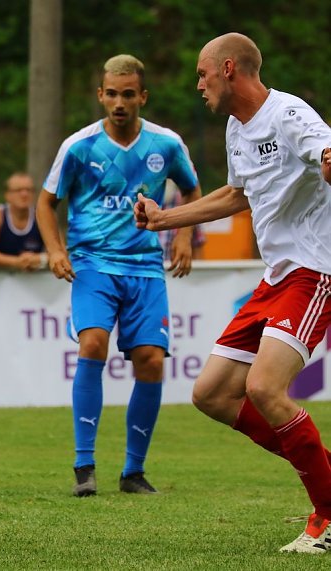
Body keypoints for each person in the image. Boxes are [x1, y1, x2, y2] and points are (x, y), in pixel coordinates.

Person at [135, 33, 331, 554]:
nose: (198, 85)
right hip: (275, 278)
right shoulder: (236, 128)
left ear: (228, 69)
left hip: (313, 272)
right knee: (212, 394)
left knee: (265, 389)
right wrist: (164, 219)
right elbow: (236, 195)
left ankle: (329, 514)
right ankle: (325, 474)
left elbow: (325, 150)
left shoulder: (289, 113)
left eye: (202, 74)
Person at [37, 54, 202, 497]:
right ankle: (84, 467)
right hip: (93, 263)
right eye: (112, 94)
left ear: (142, 96)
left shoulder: (166, 144)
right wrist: (55, 250)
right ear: (100, 95)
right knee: (93, 343)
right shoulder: (79, 146)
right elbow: (46, 202)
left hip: (146, 266)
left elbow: (191, 190)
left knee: (151, 359)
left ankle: (133, 472)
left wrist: (184, 238)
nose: (119, 102)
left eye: (128, 94)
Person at [0, 172, 45, 270]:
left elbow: (60, 252)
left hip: (35, 278)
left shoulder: (42, 217)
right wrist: (16, 262)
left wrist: (40, 259)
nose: (24, 194)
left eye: (29, 190)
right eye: (18, 190)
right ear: (7, 195)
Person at [157, 180, 206, 260]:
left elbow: (198, 245)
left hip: (175, 266)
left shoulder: (186, 199)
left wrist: (184, 235)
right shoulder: (139, 199)